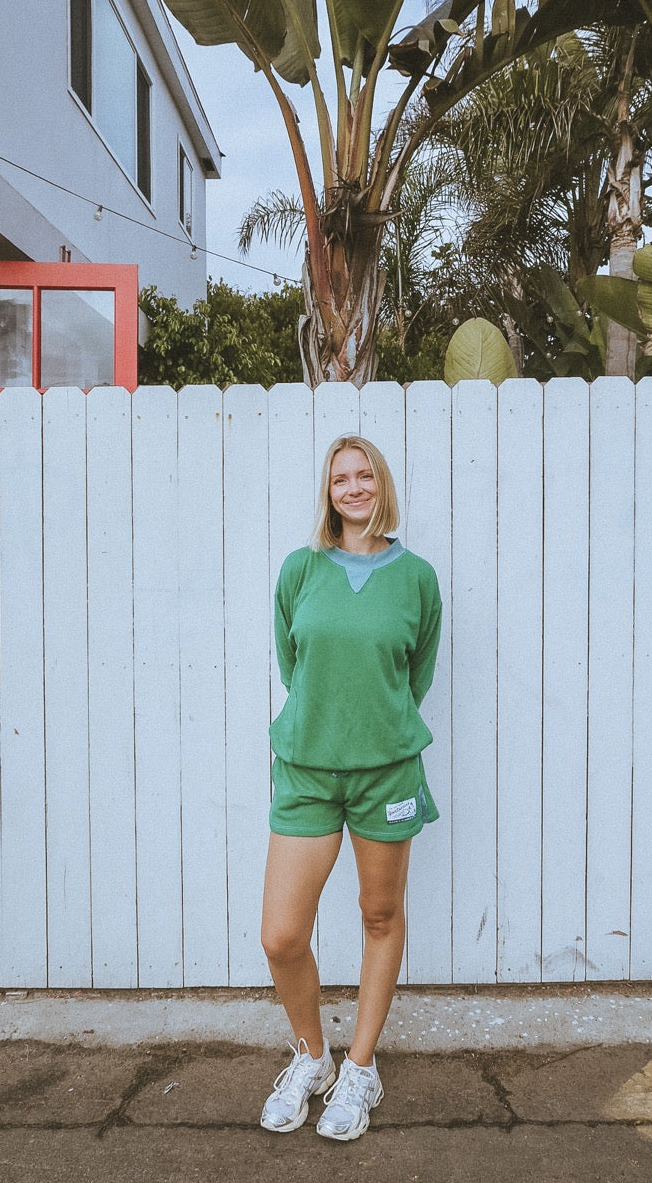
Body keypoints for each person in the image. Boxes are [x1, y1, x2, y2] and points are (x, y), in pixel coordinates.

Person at [259, 433, 442, 1142]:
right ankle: (312, 1056)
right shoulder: (299, 569)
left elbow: (414, 674)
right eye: (341, 478)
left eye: (365, 475)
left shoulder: (416, 576)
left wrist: (372, 724)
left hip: (385, 772)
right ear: (328, 491)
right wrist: (330, 719)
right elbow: (292, 663)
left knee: (378, 916)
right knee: (280, 936)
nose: (354, 488)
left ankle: (360, 1067)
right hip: (306, 767)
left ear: (381, 484)